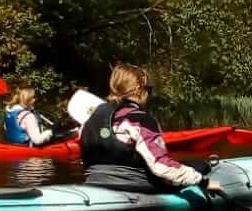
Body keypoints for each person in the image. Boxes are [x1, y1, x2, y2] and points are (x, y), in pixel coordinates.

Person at [79, 64, 218, 192]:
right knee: (200, 166)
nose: (149, 94)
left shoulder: (91, 120)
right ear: (139, 89)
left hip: (94, 183)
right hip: (133, 186)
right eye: (149, 89)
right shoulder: (142, 121)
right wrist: (203, 182)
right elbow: (160, 165)